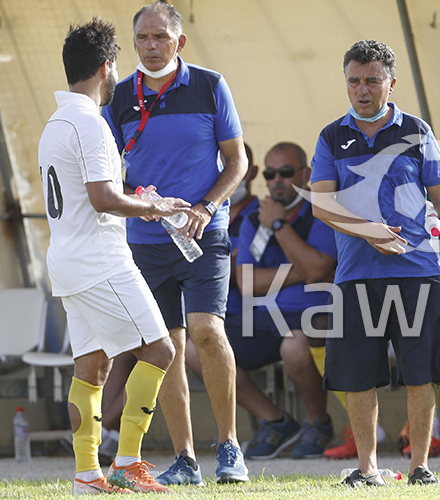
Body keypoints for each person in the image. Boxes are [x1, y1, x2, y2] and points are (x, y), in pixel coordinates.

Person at [39, 17, 189, 494]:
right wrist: (155, 205)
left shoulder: (55, 123)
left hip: (65, 261)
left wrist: (137, 201)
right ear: (107, 67)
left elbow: (91, 196)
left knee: (93, 363)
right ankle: (127, 462)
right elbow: (104, 199)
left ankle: (87, 474)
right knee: (161, 349)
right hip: (99, 259)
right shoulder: (90, 122)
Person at [102, 0, 249, 484]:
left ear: (179, 41)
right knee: (161, 348)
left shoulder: (210, 84)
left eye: (160, 37)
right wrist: (138, 200)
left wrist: (205, 209)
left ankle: (229, 448)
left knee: (207, 331)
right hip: (146, 241)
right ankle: (185, 460)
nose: (150, 46)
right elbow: (106, 179)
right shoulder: (119, 97)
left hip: (205, 235)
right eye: (142, 38)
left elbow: (237, 162)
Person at [310, 40, 440, 486]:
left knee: (420, 373)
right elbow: (321, 204)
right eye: (354, 81)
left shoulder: (417, 129)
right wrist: (370, 232)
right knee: (359, 378)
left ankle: (420, 468)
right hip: (356, 274)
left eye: (372, 80)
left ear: (391, 83)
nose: (362, 89)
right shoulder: (331, 136)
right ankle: (368, 469)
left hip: (418, 272)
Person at [187, 142, 338, 459]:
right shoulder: (256, 218)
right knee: (197, 348)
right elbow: (248, 283)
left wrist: (281, 225)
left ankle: (318, 423)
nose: (277, 180)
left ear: (306, 174)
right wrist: (300, 269)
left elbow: (320, 269)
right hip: (260, 319)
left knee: (294, 347)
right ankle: (276, 420)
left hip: (310, 318)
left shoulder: (320, 210)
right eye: (271, 174)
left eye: (286, 172)